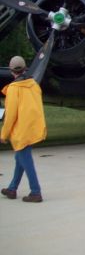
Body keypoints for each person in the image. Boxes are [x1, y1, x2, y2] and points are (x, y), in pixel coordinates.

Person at [1, 55, 47, 203]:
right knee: (19, 159)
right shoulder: (34, 84)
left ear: (11, 71)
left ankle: (36, 192)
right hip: (32, 128)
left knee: (26, 161)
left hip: (20, 132)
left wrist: (4, 134)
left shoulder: (13, 89)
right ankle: (12, 188)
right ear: (25, 68)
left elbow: (10, 116)